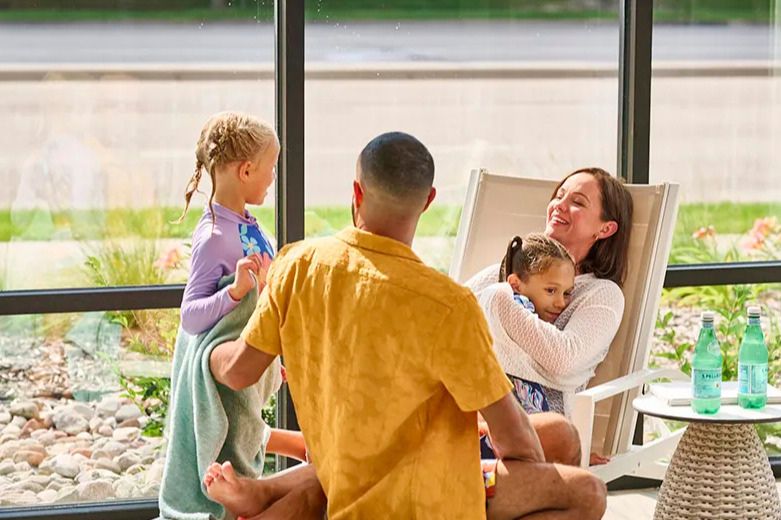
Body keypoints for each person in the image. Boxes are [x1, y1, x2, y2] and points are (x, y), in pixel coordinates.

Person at [201, 132, 607, 519]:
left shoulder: (296, 266)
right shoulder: (447, 305)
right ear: (428, 201)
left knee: (558, 433)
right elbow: (516, 443)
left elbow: (238, 371)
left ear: (356, 193)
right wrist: (508, 476)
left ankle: (273, 493)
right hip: (430, 505)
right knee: (587, 492)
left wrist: (205, 348)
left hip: (342, 483)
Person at [159, 111, 304, 520]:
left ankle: (248, 493)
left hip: (250, 362)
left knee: (244, 432)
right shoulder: (214, 238)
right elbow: (190, 316)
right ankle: (233, 498)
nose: (273, 179)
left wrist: (277, 355)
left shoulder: (249, 226)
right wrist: (236, 292)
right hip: (225, 370)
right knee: (229, 444)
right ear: (245, 170)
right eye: (271, 170)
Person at [467, 167, 633, 466]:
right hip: (472, 408)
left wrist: (499, 300)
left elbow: (563, 360)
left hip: (536, 426)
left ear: (605, 229)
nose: (560, 204)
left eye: (578, 202)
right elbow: (448, 319)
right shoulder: (505, 273)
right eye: (559, 195)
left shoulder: (601, 295)